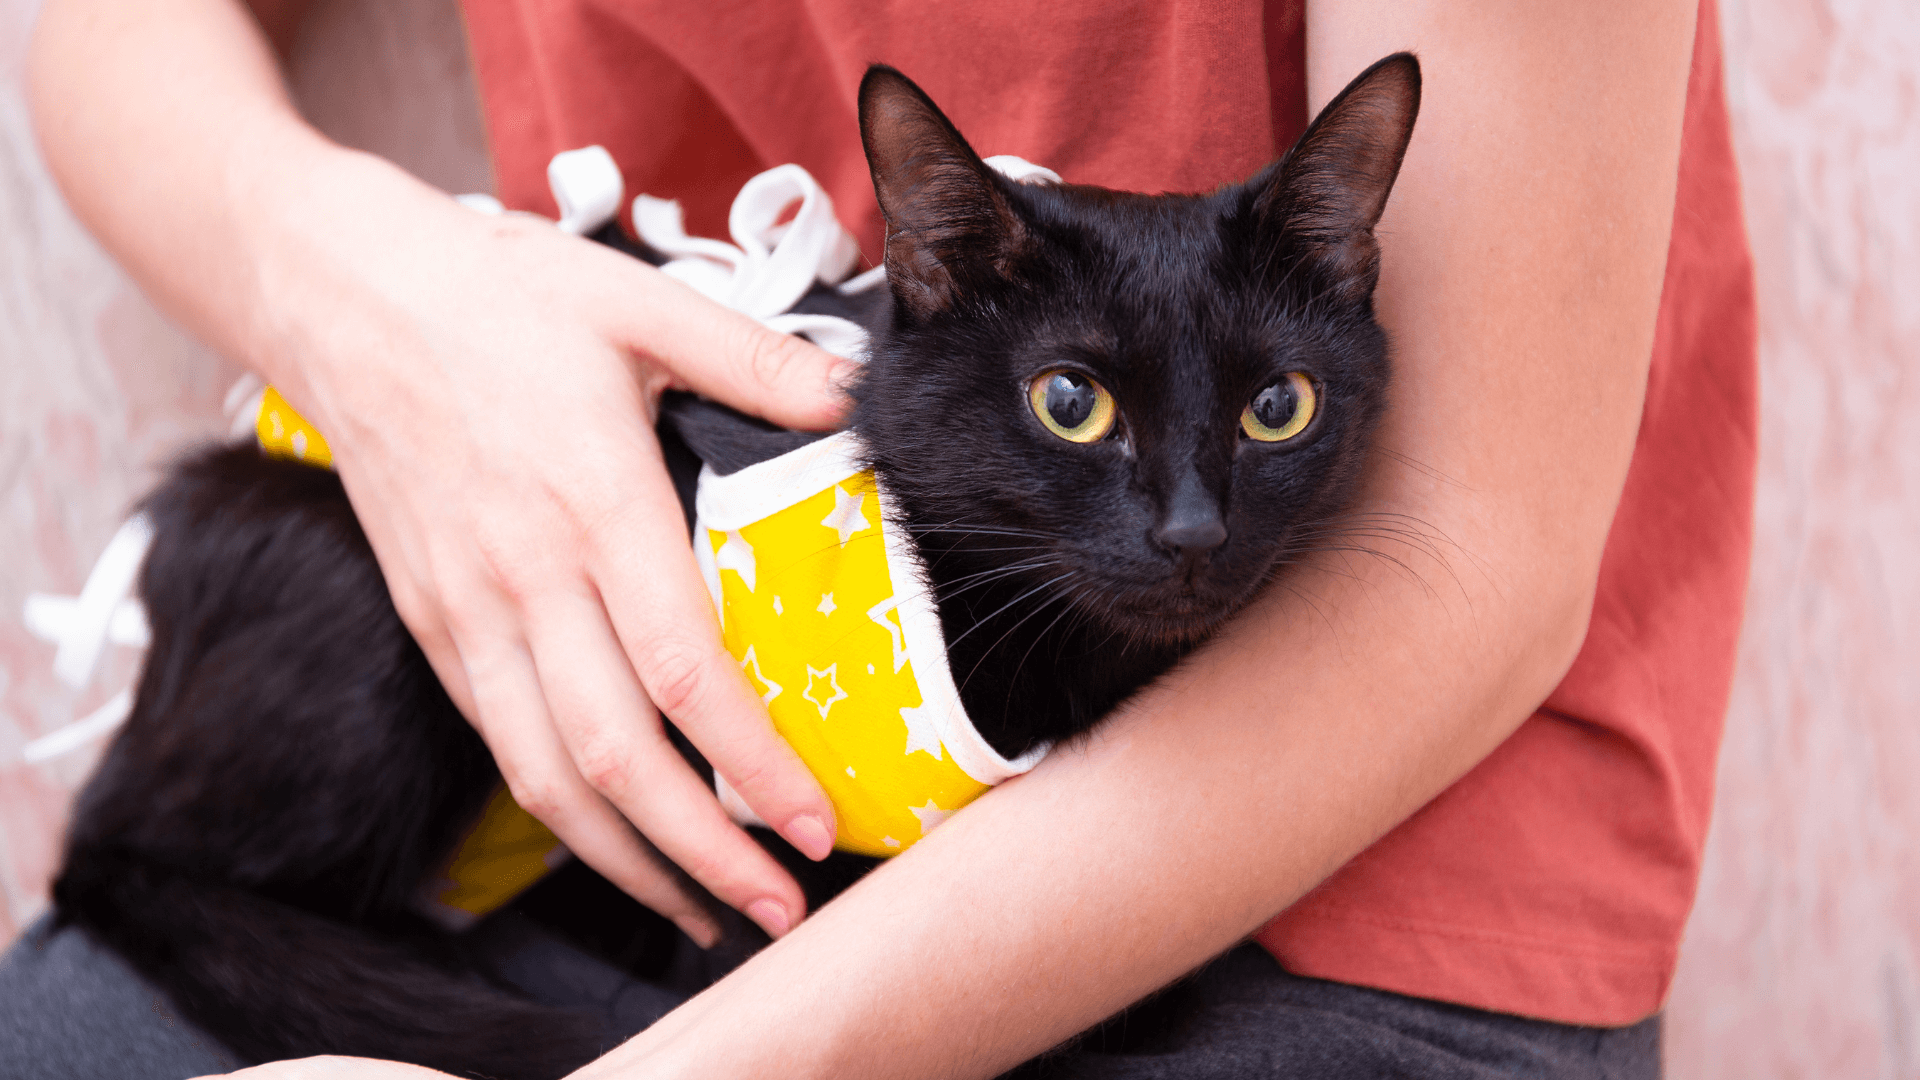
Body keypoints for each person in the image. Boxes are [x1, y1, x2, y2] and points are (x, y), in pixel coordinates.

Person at [19, 0, 1755, 1076]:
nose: (1190, 522)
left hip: (1341, 881)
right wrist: (367, 284)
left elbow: (1477, 555)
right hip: (616, 824)